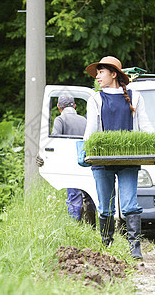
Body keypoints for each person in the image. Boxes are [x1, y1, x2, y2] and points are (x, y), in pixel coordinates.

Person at [83, 56, 153, 259]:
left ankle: (135, 247)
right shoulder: (95, 99)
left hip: (128, 159)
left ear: (114, 74)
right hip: (102, 161)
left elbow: (145, 124)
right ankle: (107, 246)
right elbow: (91, 130)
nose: (97, 76)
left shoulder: (135, 96)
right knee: (105, 207)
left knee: (130, 204)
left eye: (101, 72)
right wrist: (85, 150)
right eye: (96, 73)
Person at [37, 96, 97, 226]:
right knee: (89, 195)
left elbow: (55, 141)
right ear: (74, 106)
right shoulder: (84, 120)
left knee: (74, 197)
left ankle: (75, 227)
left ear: (59, 107)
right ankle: (92, 226)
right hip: (86, 162)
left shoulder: (60, 119)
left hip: (69, 164)